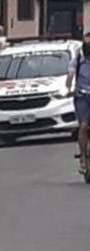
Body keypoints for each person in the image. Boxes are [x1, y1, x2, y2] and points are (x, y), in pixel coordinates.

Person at [66, 32, 90, 174]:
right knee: (83, 126)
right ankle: (83, 158)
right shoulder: (78, 60)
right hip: (82, 97)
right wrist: (69, 88)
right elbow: (70, 75)